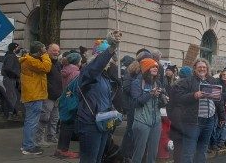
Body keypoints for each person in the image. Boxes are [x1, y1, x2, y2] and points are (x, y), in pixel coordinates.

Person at [76, 31, 122, 163]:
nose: (109, 62)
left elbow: (106, 99)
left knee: (98, 159)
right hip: (90, 123)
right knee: (89, 160)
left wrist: (113, 113)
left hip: (103, 123)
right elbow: (97, 65)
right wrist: (111, 48)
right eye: (107, 59)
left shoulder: (105, 76)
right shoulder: (88, 72)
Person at [173, 58, 225, 163]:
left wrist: (222, 116)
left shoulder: (212, 80)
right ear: (195, 69)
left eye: (204, 67)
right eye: (199, 67)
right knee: (188, 151)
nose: (202, 69)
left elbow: (219, 100)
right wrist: (194, 95)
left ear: (207, 69)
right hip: (193, 121)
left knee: (202, 150)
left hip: (209, 120)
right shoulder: (188, 81)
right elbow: (178, 98)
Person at [19, 41, 53, 155]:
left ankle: (27, 144)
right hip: (34, 96)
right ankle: (28, 146)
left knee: (31, 121)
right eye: (43, 49)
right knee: (32, 122)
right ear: (39, 51)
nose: (45, 51)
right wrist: (45, 55)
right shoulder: (30, 61)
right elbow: (47, 67)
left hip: (34, 95)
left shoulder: (30, 60)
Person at [130, 58, 164, 163]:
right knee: (139, 153)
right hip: (142, 122)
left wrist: (164, 99)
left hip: (156, 122)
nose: (155, 68)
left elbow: (160, 102)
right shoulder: (137, 83)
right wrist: (150, 94)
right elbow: (135, 103)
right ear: (146, 69)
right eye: (153, 66)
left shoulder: (157, 82)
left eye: (156, 67)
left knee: (153, 153)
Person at [54, 51, 82, 159]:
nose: (81, 62)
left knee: (64, 125)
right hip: (72, 101)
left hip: (64, 100)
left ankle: (60, 149)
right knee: (69, 126)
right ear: (77, 62)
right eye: (80, 60)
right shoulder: (77, 73)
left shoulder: (65, 70)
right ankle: (64, 150)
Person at [36, 43, 62, 147]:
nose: (56, 52)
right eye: (54, 50)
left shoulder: (57, 63)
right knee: (44, 118)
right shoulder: (45, 62)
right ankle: (39, 139)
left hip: (57, 96)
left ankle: (51, 136)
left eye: (57, 50)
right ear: (48, 51)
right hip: (48, 96)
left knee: (55, 118)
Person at [168, 66, 192, 163]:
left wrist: (172, 115)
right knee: (186, 145)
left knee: (178, 145)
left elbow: (169, 105)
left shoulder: (174, 85)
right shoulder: (190, 86)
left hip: (175, 117)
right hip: (186, 117)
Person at [1, 42, 21, 120]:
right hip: (9, 79)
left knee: (12, 96)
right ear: (14, 48)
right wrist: (15, 75)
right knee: (12, 97)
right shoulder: (11, 56)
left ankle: (9, 113)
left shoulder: (9, 55)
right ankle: (9, 114)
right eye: (18, 48)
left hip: (10, 78)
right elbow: (8, 68)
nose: (19, 49)